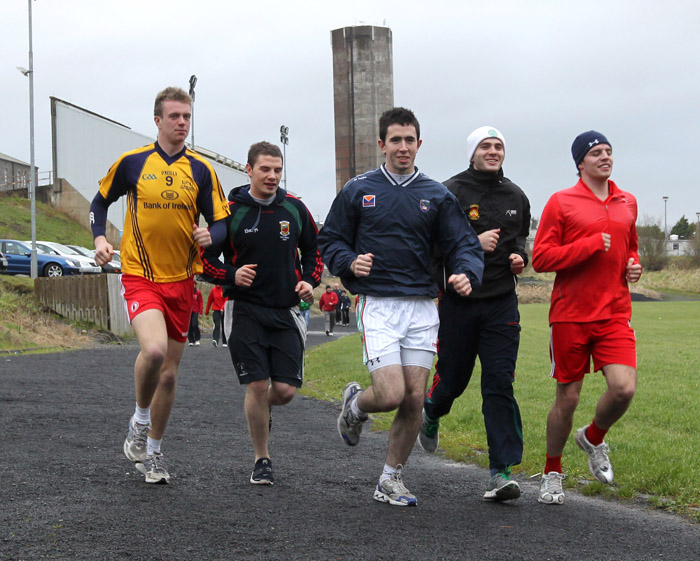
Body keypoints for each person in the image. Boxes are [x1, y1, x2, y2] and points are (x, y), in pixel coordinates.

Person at [318, 107, 483, 507]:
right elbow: (331, 240)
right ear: (382, 145)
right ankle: (356, 404)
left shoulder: (437, 195)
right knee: (390, 393)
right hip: (379, 305)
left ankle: (390, 479)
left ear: (419, 144)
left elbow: (464, 243)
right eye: (396, 140)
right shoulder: (358, 190)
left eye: (410, 140)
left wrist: (465, 272)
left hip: (424, 308)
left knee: (413, 399)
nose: (403, 147)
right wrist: (348, 262)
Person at [90, 86, 230, 484]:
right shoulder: (133, 163)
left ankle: (153, 451)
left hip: (182, 282)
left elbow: (221, 222)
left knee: (168, 375)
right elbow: (99, 202)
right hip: (140, 275)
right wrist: (100, 239)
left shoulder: (201, 171)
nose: (182, 123)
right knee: (152, 351)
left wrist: (212, 237)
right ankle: (139, 419)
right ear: (157, 120)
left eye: (186, 117)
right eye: (174, 117)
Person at [418, 126, 531, 502]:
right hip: (459, 303)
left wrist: (519, 258)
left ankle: (501, 472)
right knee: (452, 380)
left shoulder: (516, 195)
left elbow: (518, 240)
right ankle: (431, 411)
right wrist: (470, 248)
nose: (493, 151)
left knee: (499, 384)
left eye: (499, 145)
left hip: (501, 303)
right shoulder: (449, 192)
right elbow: (430, 250)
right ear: (472, 152)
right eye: (486, 145)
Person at [201, 141, 323, 485]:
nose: (272, 176)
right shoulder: (229, 211)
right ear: (249, 169)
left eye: (278, 170)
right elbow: (203, 259)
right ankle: (262, 459)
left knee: (283, 391)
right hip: (245, 309)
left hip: (285, 312)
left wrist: (310, 282)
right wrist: (230, 275)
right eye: (265, 169)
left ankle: (261, 409)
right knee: (256, 384)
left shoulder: (295, 209)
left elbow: (314, 250)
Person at [532, 131, 642, 505]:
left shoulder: (628, 201)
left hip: (614, 313)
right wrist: (589, 245)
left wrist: (634, 267)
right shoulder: (561, 202)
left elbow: (632, 249)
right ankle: (551, 472)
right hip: (571, 314)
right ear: (581, 162)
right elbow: (542, 258)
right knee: (568, 398)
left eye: (609, 151)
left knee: (624, 388)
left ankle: (593, 437)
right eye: (596, 153)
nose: (605, 157)